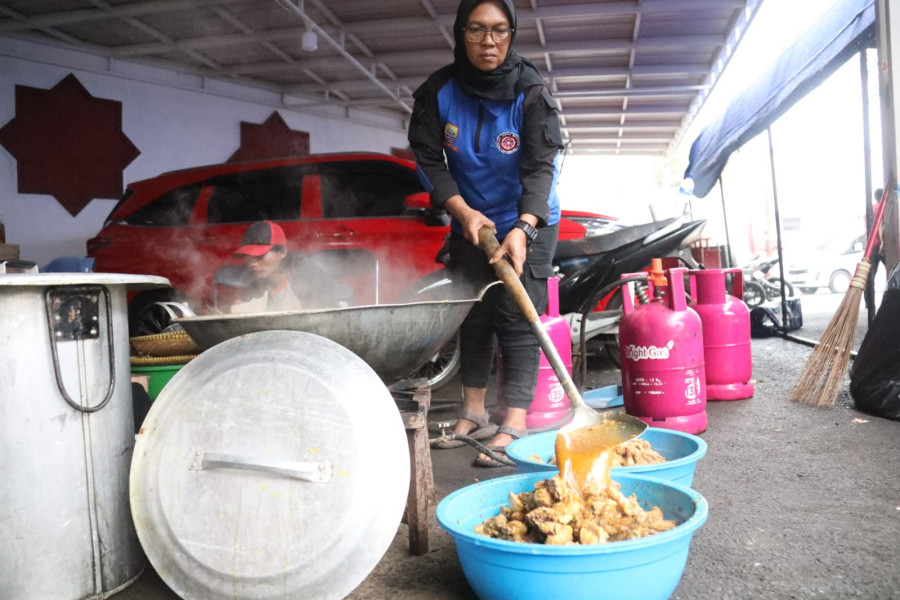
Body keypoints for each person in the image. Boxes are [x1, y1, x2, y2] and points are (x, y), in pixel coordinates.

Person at [408, 0, 563, 466]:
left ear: (512, 34)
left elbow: (540, 168)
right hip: (469, 218)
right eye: (476, 30)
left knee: (516, 316)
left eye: (498, 30)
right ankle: (473, 414)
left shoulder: (531, 92)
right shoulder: (439, 90)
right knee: (472, 316)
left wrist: (524, 227)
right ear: (461, 32)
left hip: (527, 219)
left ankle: (512, 422)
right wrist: (463, 212)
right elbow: (427, 158)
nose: (488, 41)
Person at [229, 220, 335, 313]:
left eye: (260, 256)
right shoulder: (255, 282)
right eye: (248, 257)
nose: (252, 264)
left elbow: (321, 323)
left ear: (282, 252)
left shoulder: (309, 276)